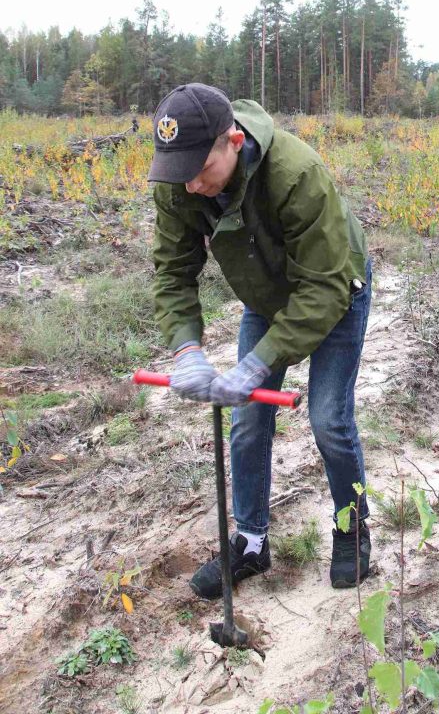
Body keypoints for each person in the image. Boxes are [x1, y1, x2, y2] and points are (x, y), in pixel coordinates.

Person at [148, 83, 371, 595]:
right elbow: (172, 271)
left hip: (336, 286)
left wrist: (258, 363)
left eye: (199, 170)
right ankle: (250, 540)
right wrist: (186, 348)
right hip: (266, 296)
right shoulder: (181, 178)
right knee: (248, 418)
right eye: (177, 172)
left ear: (232, 140)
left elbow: (323, 287)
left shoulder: (296, 172)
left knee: (329, 418)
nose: (189, 187)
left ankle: (351, 526)